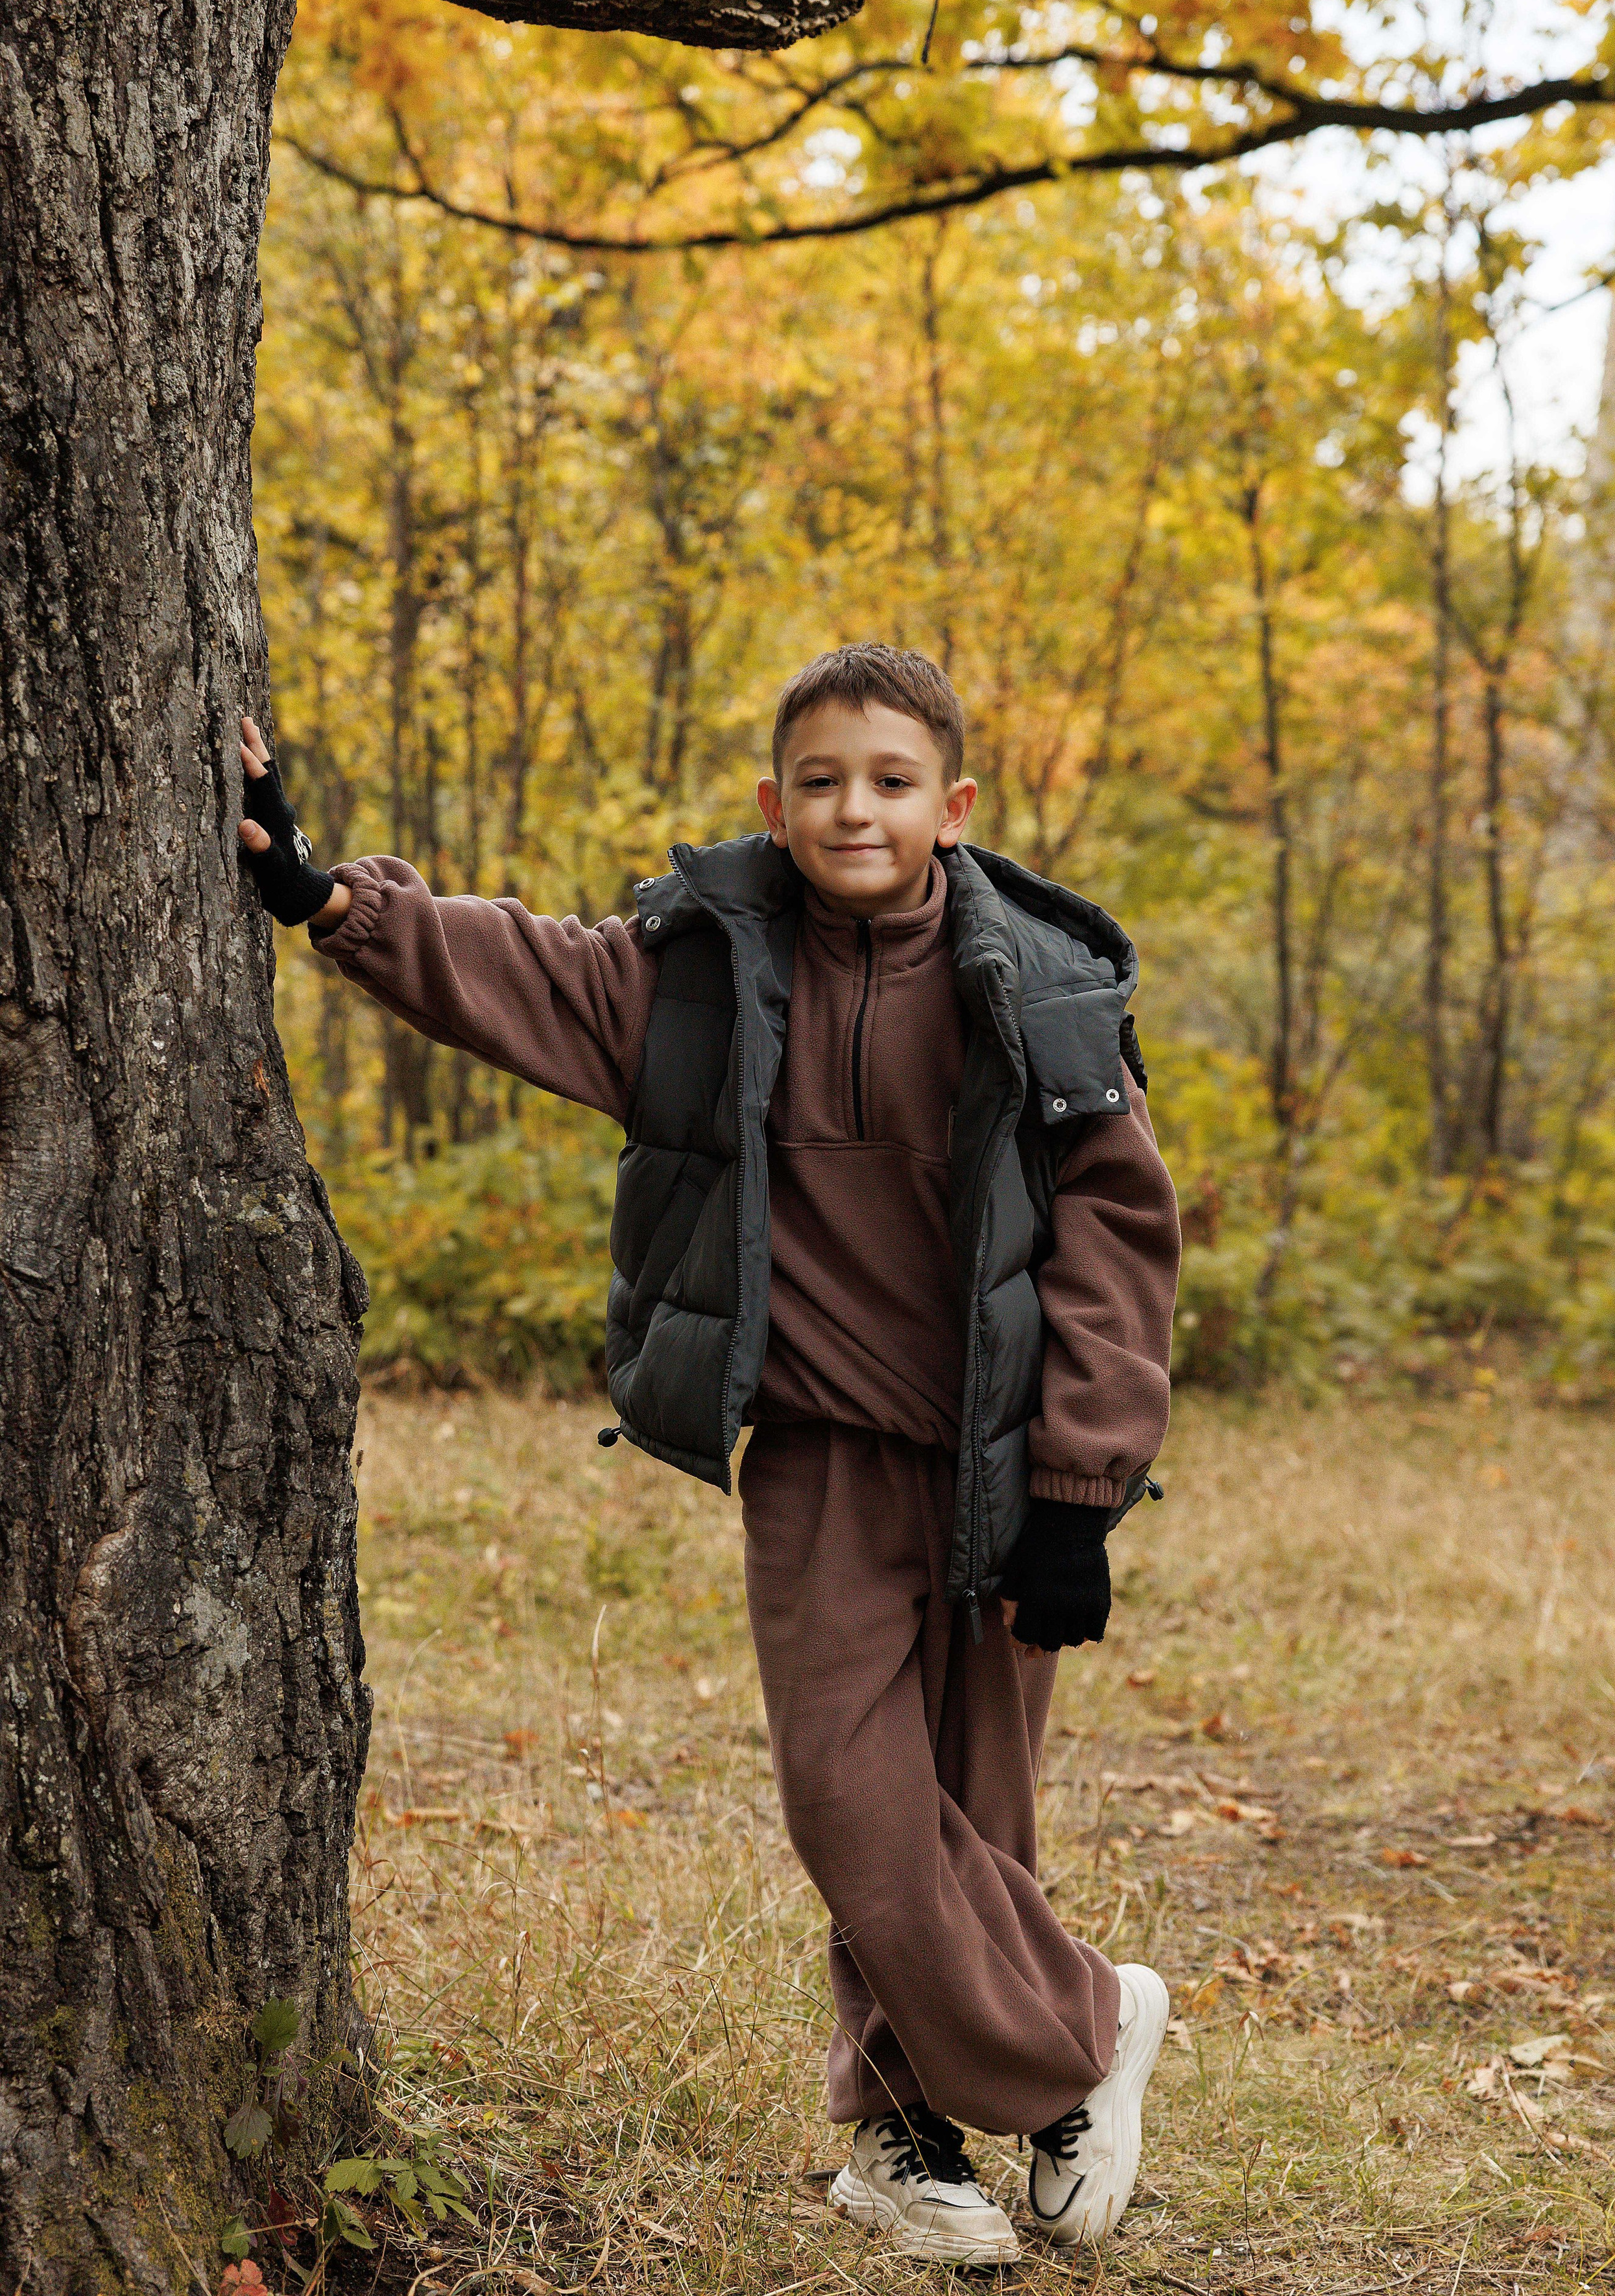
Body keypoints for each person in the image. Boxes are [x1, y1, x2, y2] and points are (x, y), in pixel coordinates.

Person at [238, 643, 1182, 2264]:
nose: (852, 808)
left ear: (952, 806)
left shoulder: (1037, 989)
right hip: (819, 1456)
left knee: (974, 1808)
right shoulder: (704, 967)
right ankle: (1082, 2028)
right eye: (818, 780)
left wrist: (1081, 1490)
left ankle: (900, 2136)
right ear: (771, 801)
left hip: (1000, 1467)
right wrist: (333, 899)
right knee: (851, 1797)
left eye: (889, 780)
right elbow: (524, 967)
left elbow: (1115, 1242)